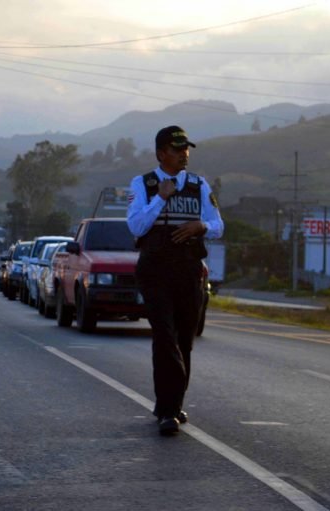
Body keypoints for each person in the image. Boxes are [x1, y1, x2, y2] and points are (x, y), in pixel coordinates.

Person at [127, 126, 224, 436]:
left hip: (188, 271)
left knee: (184, 342)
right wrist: (160, 199)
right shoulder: (143, 184)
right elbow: (136, 226)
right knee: (165, 338)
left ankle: (171, 403)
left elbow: (219, 224)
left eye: (187, 148)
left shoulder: (199, 185)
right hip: (155, 270)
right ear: (160, 153)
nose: (184, 154)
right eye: (177, 148)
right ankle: (168, 411)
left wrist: (201, 226)